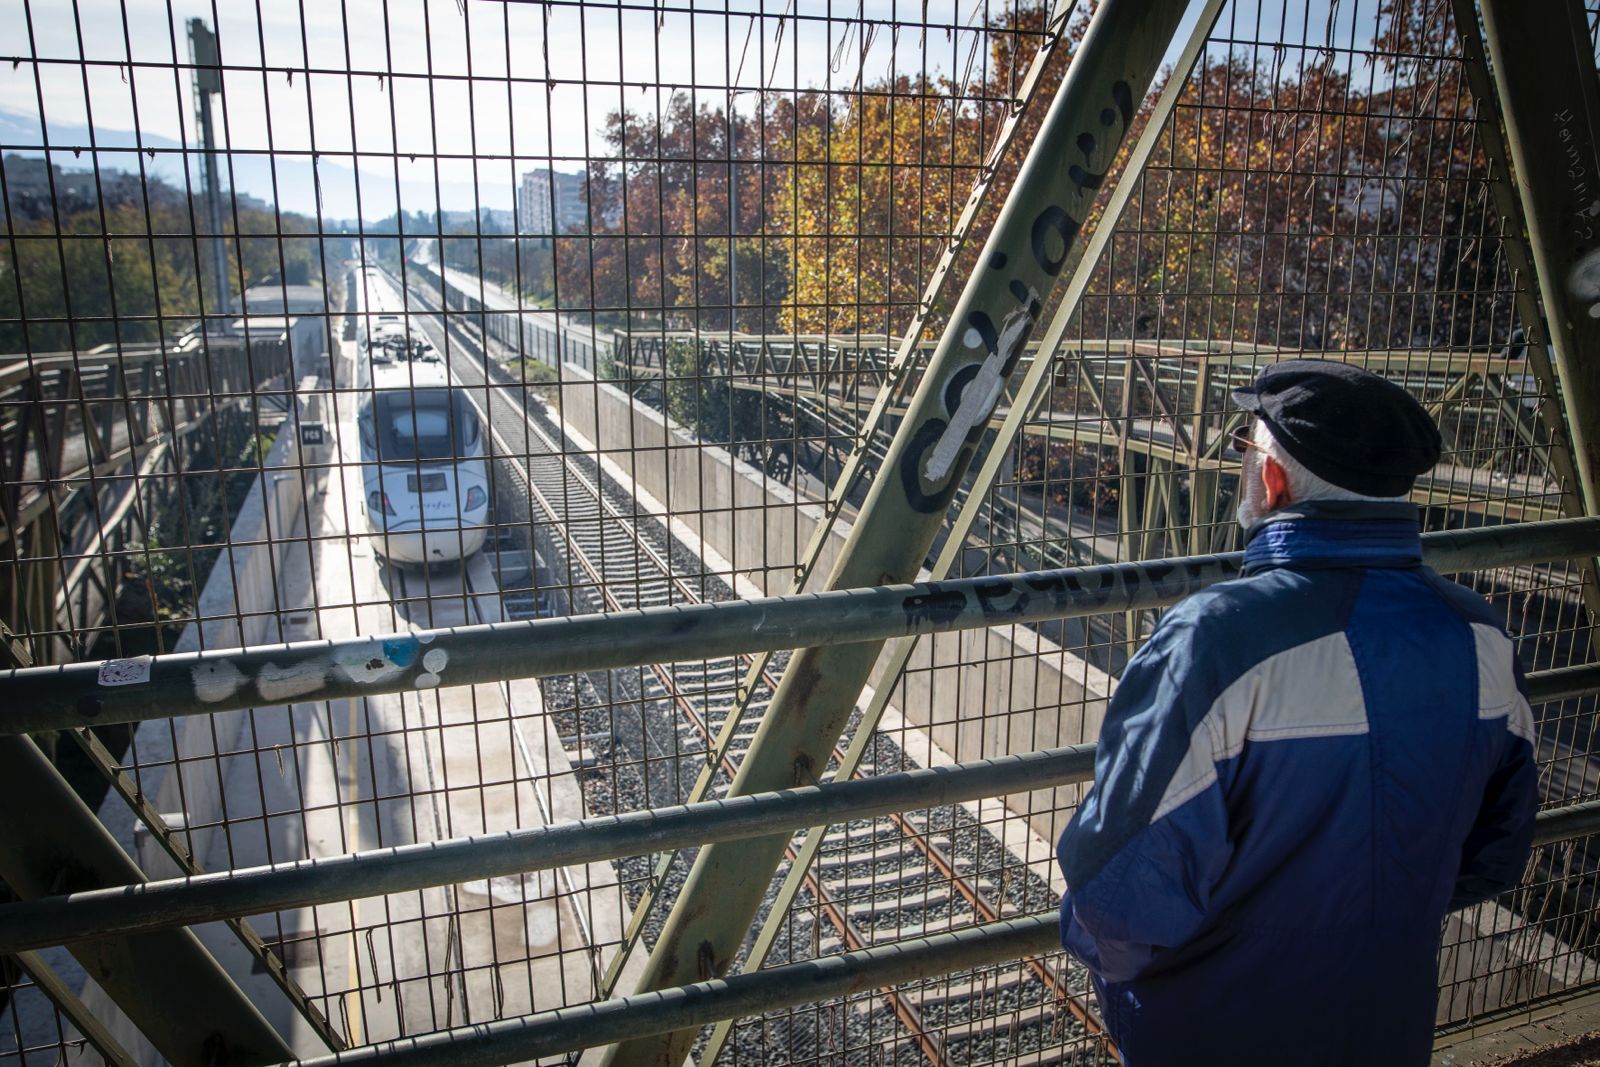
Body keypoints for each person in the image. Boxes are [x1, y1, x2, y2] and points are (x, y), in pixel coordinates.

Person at [1055, 359, 1538, 1066]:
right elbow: (1495, 855)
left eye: (1246, 454)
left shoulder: (1214, 641)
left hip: (1213, 1032)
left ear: (1272, 481)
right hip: (1388, 1027)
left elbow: (1116, 896)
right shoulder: (1482, 638)